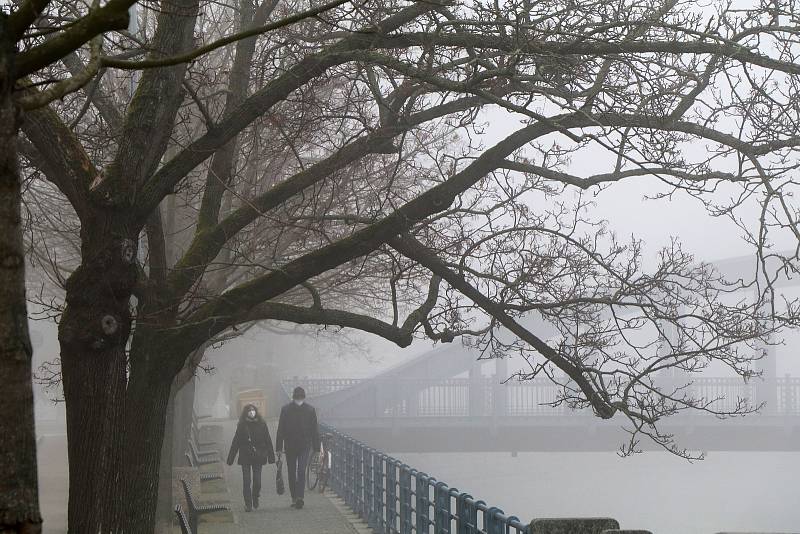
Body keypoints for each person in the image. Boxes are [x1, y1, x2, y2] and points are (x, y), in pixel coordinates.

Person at [275, 386, 320, 509]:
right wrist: (278, 448)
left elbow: (315, 430)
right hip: (290, 446)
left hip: (304, 445)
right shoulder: (286, 410)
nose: (299, 400)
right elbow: (281, 430)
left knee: (301, 470)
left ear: (303, 398)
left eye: (300, 398)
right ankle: (294, 497)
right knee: (291, 472)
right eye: (297, 398)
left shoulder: (310, 410)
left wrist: (316, 448)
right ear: (294, 398)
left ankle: (300, 497)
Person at [227, 403, 275, 512]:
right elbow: (236, 442)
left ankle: (255, 496)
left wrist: (271, 457)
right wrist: (230, 458)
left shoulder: (262, 424)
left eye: (253, 410)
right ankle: (248, 504)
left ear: (256, 411)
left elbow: (268, 440)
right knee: (246, 481)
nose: (251, 412)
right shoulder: (242, 425)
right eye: (249, 410)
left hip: (258, 456)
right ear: (246, 413)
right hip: (245, 456)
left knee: (257, 481)